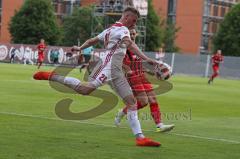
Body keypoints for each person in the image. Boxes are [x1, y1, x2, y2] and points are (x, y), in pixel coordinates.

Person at [33, 7, 160, 147]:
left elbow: (92, 40)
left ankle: (140, 138)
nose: (134, 24)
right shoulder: (123, 30)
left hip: (117, 71)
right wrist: (146, 58)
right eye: (134, 21)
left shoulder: (110, 30)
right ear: (127, 17)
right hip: (108, 67)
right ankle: (53, 76)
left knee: (131, 102)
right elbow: (130, 44)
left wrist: (80, 48)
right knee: (85, 89)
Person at [115, 29, 174, 132]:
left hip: (142, 75)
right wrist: (127, 70)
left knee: (153, 99)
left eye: (134, 33)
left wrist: (151, 71)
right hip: (132, 77)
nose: (132, 35)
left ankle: (159, 125)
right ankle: (122, 112)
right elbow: (119, 61)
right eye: (131, 33)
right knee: (143, 102)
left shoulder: (135, 46)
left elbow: (139, 63)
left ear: (136, 34)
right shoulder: (123, 47)